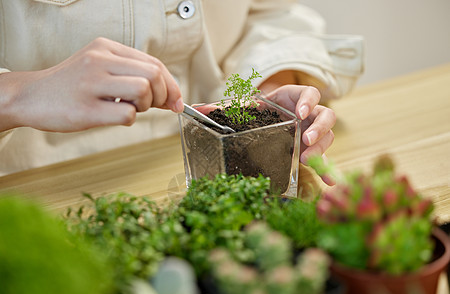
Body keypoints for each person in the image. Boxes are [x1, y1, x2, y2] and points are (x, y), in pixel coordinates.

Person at [0, 0, 364, 182]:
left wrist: (268, 100)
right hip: (36, 187)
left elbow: (270, 13)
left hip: (221, 175)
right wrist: (18, 94)